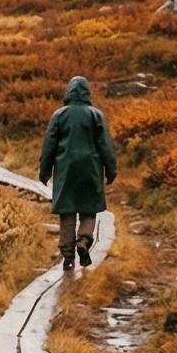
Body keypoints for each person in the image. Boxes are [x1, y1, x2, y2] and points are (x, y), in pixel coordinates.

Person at [37, 75, 116, 271]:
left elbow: (49, 147)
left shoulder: (59, 115)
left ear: (69, 92)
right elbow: (106, 146)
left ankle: (68, 255)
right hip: (91, 168)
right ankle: (84, 241)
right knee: (89, 209)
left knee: (67, 211)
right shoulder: (96, 115)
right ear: (87, 92)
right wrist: (111, 170)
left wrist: (44, 171)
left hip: (65, 169)